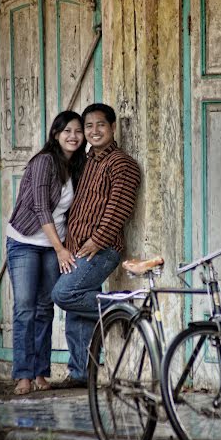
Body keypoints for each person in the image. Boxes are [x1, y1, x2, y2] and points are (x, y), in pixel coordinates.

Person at [51, 103, 141, 386]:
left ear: (112, 128)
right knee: (76, 311)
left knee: (64, 294)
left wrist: (96, 240)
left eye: (100, 125)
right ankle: (80, 374)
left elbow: (120, 208)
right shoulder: (88, 161)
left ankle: (122, 307)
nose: (93, 131)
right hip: (78, 247)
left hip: (102, 249)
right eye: (88, 126)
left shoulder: (122, 164)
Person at [6, 111, 86, 395]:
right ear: (56, 134)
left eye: (78, 131)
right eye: (67, 131)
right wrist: (62, 250)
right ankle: (23, 375)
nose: (73, 136)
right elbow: (41, 207)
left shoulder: (77, 165)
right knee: (25, 307)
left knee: (45, 308)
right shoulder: (44, 162)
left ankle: (40, 372)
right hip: (26, 241)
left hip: (55, 244)